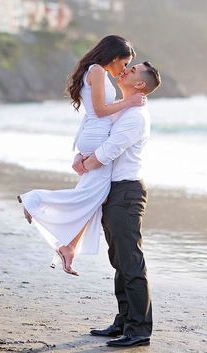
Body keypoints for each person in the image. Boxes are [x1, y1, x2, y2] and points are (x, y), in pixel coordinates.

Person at [17, 35, 145, 276]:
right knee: (91, 195)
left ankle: (69, 246)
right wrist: (130, 103)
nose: (124, 69)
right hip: (97, 135)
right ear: (114, 57)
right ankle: (35, 200)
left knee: (93, 197)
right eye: (125, 63)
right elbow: (100, 110)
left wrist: (125, 103)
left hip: (94, 134)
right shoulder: (97, 71)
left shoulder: (96, 71)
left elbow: (101, 108)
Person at [73, 62, 161, 348]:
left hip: (127, 192)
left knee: (130, 261)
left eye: (132, 70)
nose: (125, 70)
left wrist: (86, 164)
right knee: (119, 261)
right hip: (113, 192)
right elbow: (97, 132)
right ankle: (123, 321)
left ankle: (139, 330)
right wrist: (81, 156)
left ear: (139, 85)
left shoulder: (135, 116)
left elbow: (108, 152)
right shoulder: (123, 109)